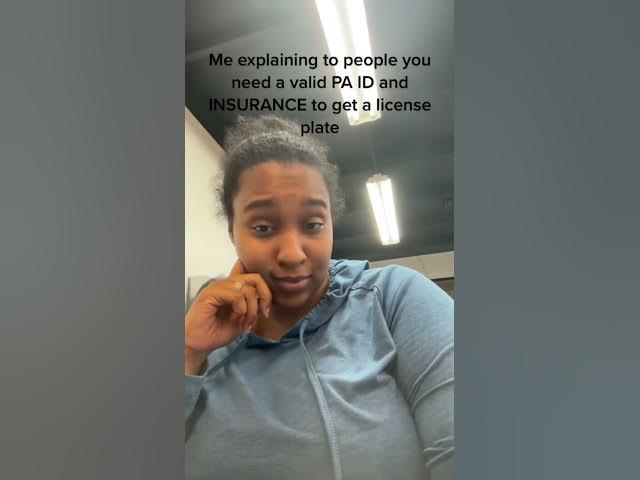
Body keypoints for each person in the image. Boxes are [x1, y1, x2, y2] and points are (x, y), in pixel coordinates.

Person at [185, 115, 454, 480]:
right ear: (233, 230)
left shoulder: (394, 299)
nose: (292, 254)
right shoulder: (200, 333)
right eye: (263, 227)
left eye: (312, 225)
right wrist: (188, 353)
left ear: (331, 224)